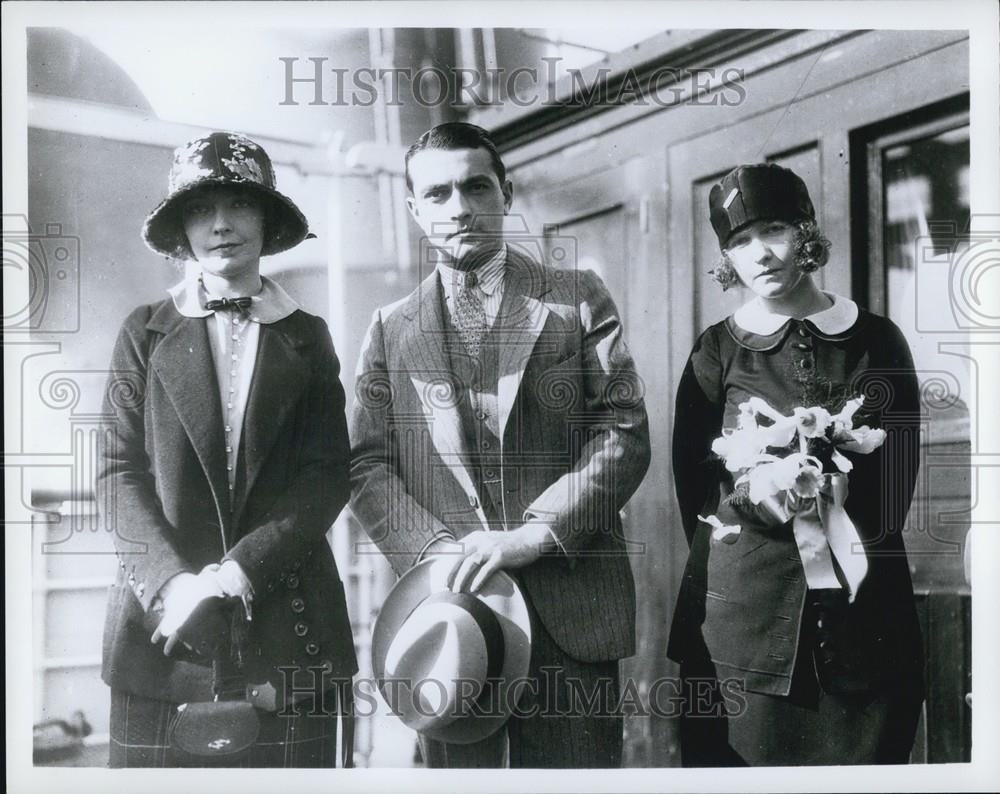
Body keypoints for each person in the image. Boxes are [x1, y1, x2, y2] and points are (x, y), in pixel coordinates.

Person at [349, 122, 650, 767]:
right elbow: (366, 462)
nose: (457, 207)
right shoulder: (390, 329)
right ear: (413, 210)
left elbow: (623, 432)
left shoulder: (576, 300)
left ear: (505, 194)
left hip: (570, 612)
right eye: (436, 194)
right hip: (449, 621)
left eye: (474, 187)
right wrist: (434, 553)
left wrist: (533, 535)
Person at [97, 131, 356, 767]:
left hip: (288, 628)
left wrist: (241, 570)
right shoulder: (142, 333)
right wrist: (174, 586)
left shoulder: (308, 337)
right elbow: (115, 474)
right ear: (180, 229)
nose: (220, 225)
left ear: (266, 219)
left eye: (239, 205)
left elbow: (325, 476)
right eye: (199, 208)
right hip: (163, 636)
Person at [667, 163, 925, 765]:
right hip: (742, 632)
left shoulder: (877, 340)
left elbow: (895, 487)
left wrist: (829, 489)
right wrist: (763, 500)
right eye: (737, 240)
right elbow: (697, 496)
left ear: (807, 231)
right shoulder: (716, 350)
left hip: (859, 625)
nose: (758, 253)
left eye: (774, 229)